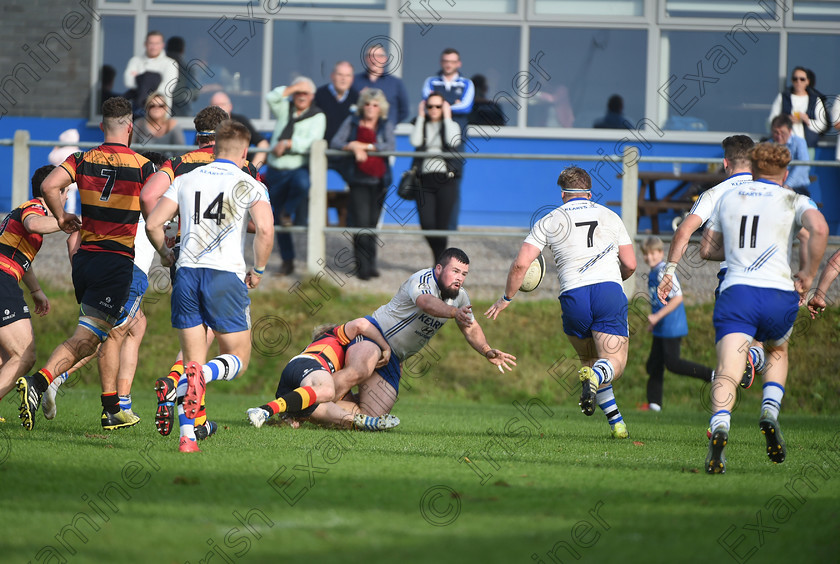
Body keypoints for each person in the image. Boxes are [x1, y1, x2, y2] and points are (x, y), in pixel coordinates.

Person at [16, 96, 157, 432]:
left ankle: (111, 409)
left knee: (103, 333)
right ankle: (40, 382)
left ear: (101, 127)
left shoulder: (80, 158)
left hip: (85, 259)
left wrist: (63, 216)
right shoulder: (141, 165)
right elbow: (153, 204)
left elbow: (50, 185)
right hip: (116, 260)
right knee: (91, 337)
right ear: (130, 127)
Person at [145, 119, 274, 453]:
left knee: (191, 360)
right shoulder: (249, 183)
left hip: (186, 273)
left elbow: (154, 222)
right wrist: (258, 270)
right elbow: (265, 230)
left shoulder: (186, 179)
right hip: (224, 275)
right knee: (237, 359)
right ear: (245, 152)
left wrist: (165, 254)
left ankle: (187, 437)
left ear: (213, 147)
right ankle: (206, 374)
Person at [699, 142, 827, 474]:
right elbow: (820, 229)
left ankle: (721, 428)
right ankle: (769, 412)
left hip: (738, 290)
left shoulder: (728, 196)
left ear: (752, 168)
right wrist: (809, 275)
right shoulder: (793, 199)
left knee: (728, 367)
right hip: (778, 294)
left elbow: (709, 249)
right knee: (777, 351)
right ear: (785, 174)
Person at [486, 167, 636, 439]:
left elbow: (521, 264)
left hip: (573, 297)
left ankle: (617, 424)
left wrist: (507, 298)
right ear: (589, 193)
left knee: (590, 361)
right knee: (614, 362)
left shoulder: (550, 219)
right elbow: (631, 264)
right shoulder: (610, 216)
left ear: (564, 195)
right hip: (607, 292)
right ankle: (599, 387)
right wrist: (616, 278)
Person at [327, 248, 516, 419]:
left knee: (371, 416)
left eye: (464, 274)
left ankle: (319, 407)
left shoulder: (460, 297)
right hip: (372, 335)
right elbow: (425, 303)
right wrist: (453, 313)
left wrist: (486, 350)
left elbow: (471, 327)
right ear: (439, 269)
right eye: (455, 271)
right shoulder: (422, 279)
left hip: (393, 358)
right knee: (360, 370)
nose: (460, 278)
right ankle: (307, 403)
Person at [657, 135, 765, 390]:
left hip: (731, 281)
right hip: (768, 279)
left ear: (726, 162)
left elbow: (684, 233)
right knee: (765, 346)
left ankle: (719, 425)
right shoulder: (771, 191)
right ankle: (756, 361)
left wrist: (669, 272)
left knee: (729, 358)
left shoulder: (715, 193)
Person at [246, 318, 399, 431]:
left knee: (348, 419)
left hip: (294, 386)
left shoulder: (337, 371)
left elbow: (355, 402)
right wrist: (386, 347)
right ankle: (265, 410)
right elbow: (361, 324)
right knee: (327, 390)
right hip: (307, 364)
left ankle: (368, 423)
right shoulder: (334, 336)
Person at [0, 166, 64, 414]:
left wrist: (36, 290)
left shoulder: (24, 209)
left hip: (7, 276)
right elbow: (34, 224)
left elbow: (17, 255)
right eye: (65, 192)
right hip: (3, 279)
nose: (67, 198)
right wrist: (65, 220)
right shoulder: (34, 207)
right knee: (24, 356)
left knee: (6, 358)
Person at [641, 236, 714, 411]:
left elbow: (677, 298)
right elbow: (660, 300)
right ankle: (654, 405)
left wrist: (656, 317)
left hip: (671, 326)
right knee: (654, 364)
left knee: (672, 364)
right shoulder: (653, 272)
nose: (649, 257)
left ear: (661, 253)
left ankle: (711, 375)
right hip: (661, 327)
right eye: (646, 254)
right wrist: (654, 322)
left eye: (653, 253)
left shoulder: (663, 272)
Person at [330, 88, 395, 280]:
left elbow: (390, 146)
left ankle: (371, 263)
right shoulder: (352, 121)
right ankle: (362, 267)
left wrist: (366, 146)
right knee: (361, 223)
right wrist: (351, 145)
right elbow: (335, 142)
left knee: (372, 224)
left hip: (379, 180)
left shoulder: (385, 124)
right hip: (358, 179)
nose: (370, 108)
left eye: (375, 105)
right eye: (367, 104)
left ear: (380, 108)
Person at [265, 77, 326, 276]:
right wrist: (292, 87)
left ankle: (288, 211)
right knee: (277, 219)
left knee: (302, 183)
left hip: (297, 167)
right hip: (276, 168)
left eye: (305, 93)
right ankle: (287, 260)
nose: (301, 96)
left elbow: (313, 141)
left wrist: (289, 143)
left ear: (312, 96)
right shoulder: (285, 109)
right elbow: (270, 98)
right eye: (298, 93)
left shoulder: (318, 116)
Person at [421, 48, 473, 232]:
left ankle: (450, 227)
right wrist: (452, 104)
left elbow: (466, 106)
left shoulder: (467, 83)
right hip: (433, 140)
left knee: (453, 182)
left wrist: (442, 105)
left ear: (458, 63)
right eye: (445, 61)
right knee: (429, 180)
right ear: (441, 62)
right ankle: (432, 225)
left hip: (456, 142)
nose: (449, 64)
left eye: (452, 61)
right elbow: (428, 103)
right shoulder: (431, 81)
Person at [410, 93, 461, 263]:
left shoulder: (452, 125)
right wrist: (420, 117)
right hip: (424, 179)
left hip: (446, 179)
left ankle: (438, 263)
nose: (434, 110)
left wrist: (447, 117)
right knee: (427, 224)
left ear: (444, 107)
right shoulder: (421, 125)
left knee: (441, 226)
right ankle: (440, 259)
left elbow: (453, 142)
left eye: (438, 106)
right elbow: (415, 141)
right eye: (430, 106)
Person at [767, 66, 828, 156]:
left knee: (804, 168)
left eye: (802, 79)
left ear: (807, 81)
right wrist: (786, 120)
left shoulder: (815, 100)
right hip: (785, 144)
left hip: (807, 145)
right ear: (792, 81)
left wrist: (808, 121)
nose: (798, 82)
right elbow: (771, 120)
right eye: (795, 79)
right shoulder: (783, 97)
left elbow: (822, 125)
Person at [210, 91, 269, 170]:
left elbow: (263, 144)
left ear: (230, 106)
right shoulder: (207, 124)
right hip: (214, 170)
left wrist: (253, 170)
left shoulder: (241, 122)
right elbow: (197, 150)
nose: (219, 108)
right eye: (215, 105)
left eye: (222, 104)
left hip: (240, 171)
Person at [123, 31, 179, 115]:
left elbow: (167, 88)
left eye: (157, 43)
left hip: (161, 115)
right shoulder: (135, 61)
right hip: (137, 111)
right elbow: (129, 82)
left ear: (162, 45)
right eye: (151, 43)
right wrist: (146, 82)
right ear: (145, 44)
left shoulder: (170, 63)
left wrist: (141, 79)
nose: (154, 47)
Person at [354, 44, 409, 125]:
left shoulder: (395, 83)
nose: (373, 59)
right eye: (370, 56)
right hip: (360, 132)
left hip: (385, 134)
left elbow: (404, 111)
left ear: (385, 59)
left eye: (378, 56)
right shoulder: (355, 81)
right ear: (366, 59)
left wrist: (390, 123)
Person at [315, 61, 360, 148]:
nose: (343, 78)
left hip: (347, 153)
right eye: (340, 74)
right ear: (332, 76)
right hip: (323, 150)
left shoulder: (356, 98)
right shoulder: (319, 95)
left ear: (352, 79)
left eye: (348, 75)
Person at [132, 92, 185, 159]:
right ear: (147, 108)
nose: (156, 108)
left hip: (166, 167)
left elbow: (180, 153)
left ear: (166, 108)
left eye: (161, 106)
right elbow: (131, 149)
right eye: (152, 106)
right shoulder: (139, 124)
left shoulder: (172, 125)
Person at [770, 114, 811, 196]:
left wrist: (787, 185)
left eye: (782, 133)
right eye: (776, 132)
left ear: (790, 131)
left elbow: (803, 165)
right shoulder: (767, 145)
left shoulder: (800, 142)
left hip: (798, 188)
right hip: (773, 188)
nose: (779, 136)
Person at [47, 129, 80, 214]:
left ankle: (55, 210)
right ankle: (71, 210)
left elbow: (52, 158)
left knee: (57, 194)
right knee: (71, 195)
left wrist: (55, 149)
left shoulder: (60, 151)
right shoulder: (77, 152)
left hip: (60, 177)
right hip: (72, 178)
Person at [165, 36, 199, 118]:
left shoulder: (187, 69)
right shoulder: (187, 70)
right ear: (183, 50)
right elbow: (194, 93)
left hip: (181, 115)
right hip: (181, 114)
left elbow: (194, 93)